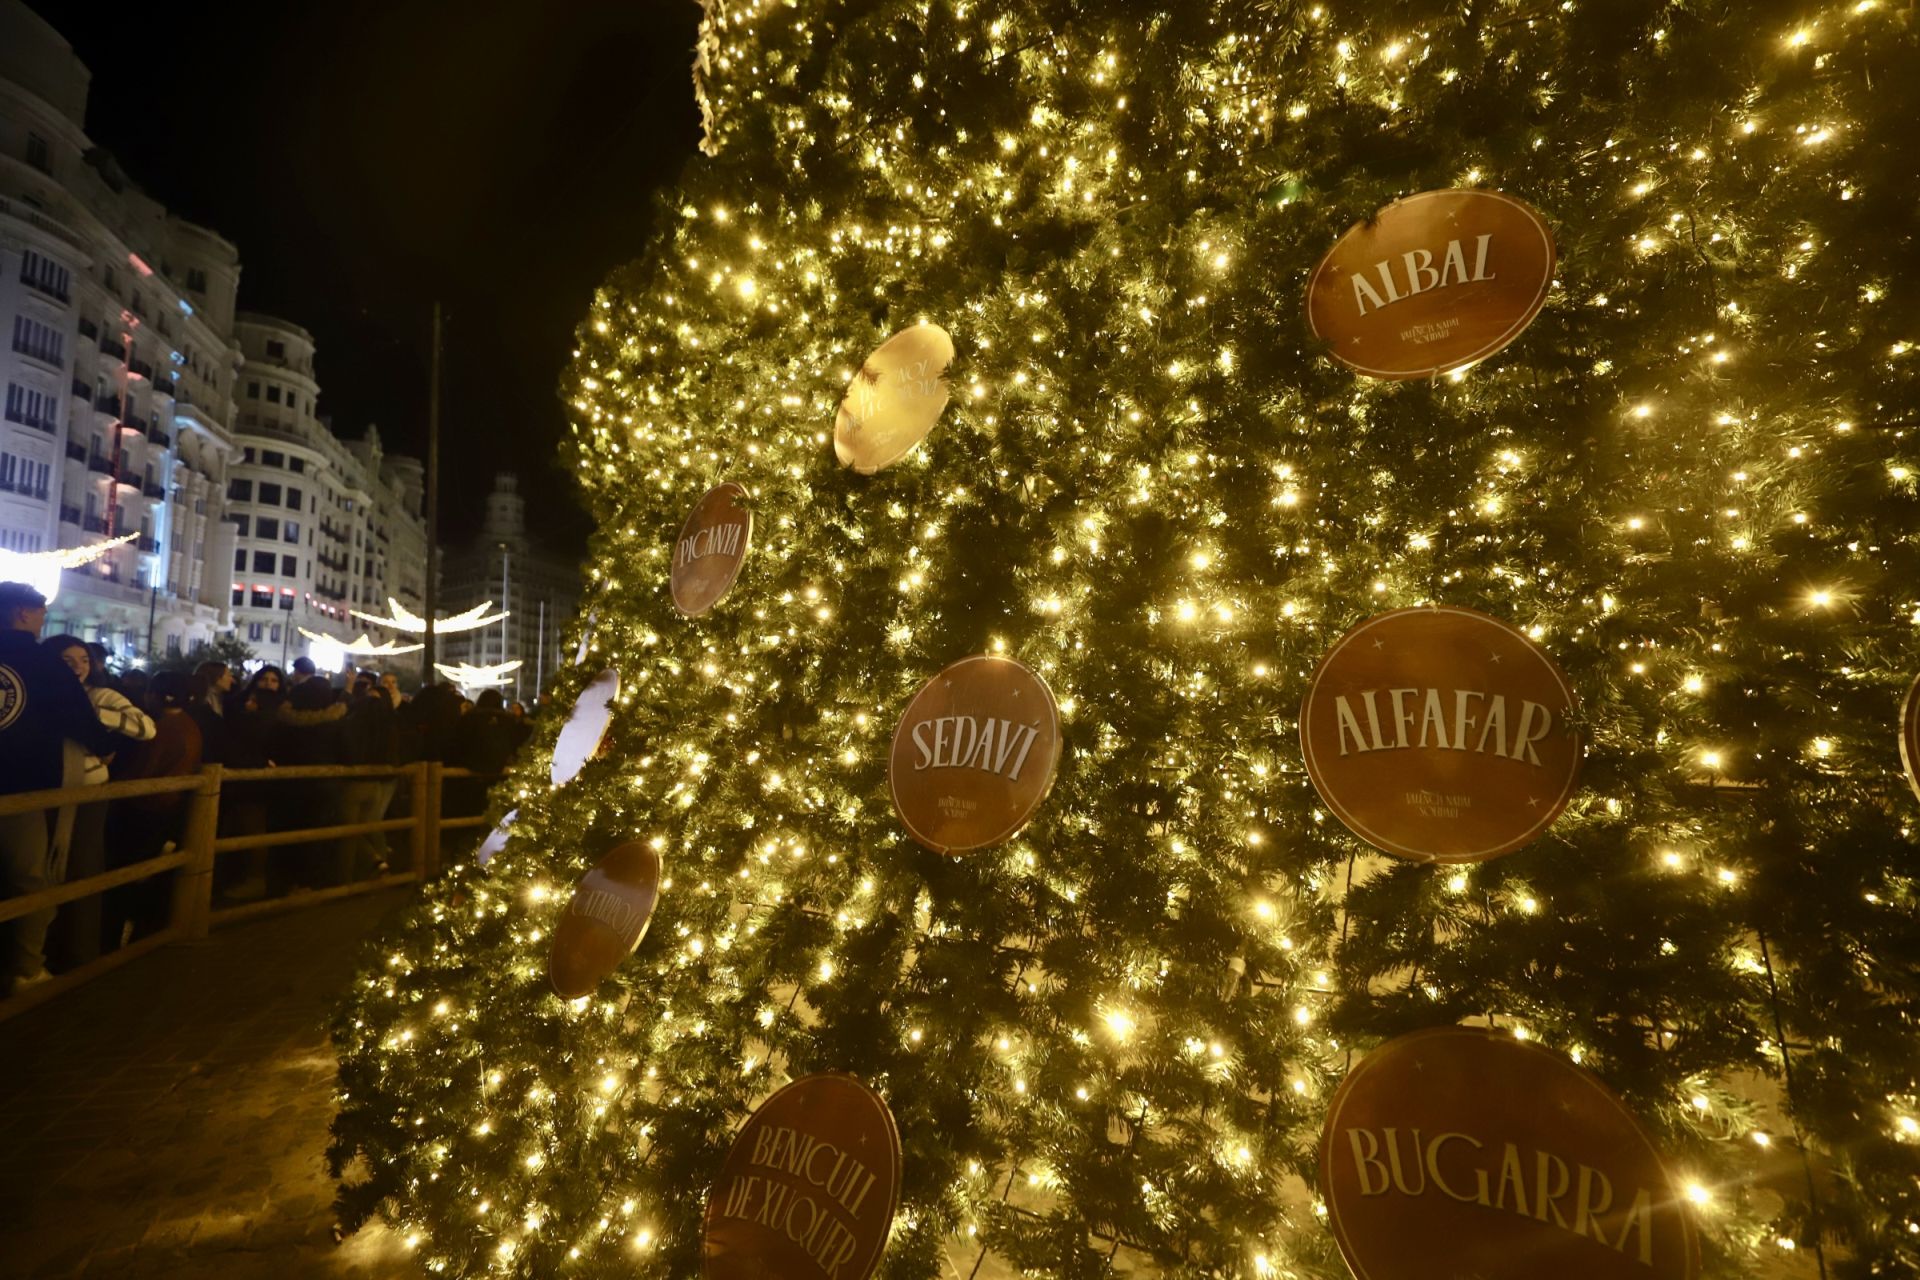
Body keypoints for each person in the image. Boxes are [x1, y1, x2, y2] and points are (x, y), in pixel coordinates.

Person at [0, 583, 119, 993]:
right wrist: (106, 747)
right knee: (29, 878)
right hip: (21, 786)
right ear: (21, 614)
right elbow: (78, 715)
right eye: (39, 612)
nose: (42, 619)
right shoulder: (42, 662)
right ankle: (27, 968)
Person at [42, 634, 155, 971]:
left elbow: (146, 727)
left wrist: (91, 715)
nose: (79, 667)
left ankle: (79, 955)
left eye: (85, 660)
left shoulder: (100, 695)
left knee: (83, 870)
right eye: (68, 660)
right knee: (40, 875)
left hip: (88, 795)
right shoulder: (40, 696)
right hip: (43, 792)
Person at [104, 670, 203, 948]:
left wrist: (111, 787)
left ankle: (116, 941)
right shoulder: (189, 725)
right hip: (166, 808)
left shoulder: (160, 729)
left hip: (144, 810)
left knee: (125, 879)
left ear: (154, 694)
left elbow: (142, 772)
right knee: (146, 878)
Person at [269, 676, 351, 889]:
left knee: (287, 835)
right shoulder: (334, 721)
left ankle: (284, 882)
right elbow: (343, 751)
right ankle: (312, 880)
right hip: (322, 784)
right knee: (318, 836)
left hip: (288, 784)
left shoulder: (283, 720)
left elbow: (274, 747)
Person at [188, 659, 234, 765]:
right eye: (228, 675)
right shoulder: (205, 702)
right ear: (217, 678)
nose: (231, 679)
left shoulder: (218, 699)